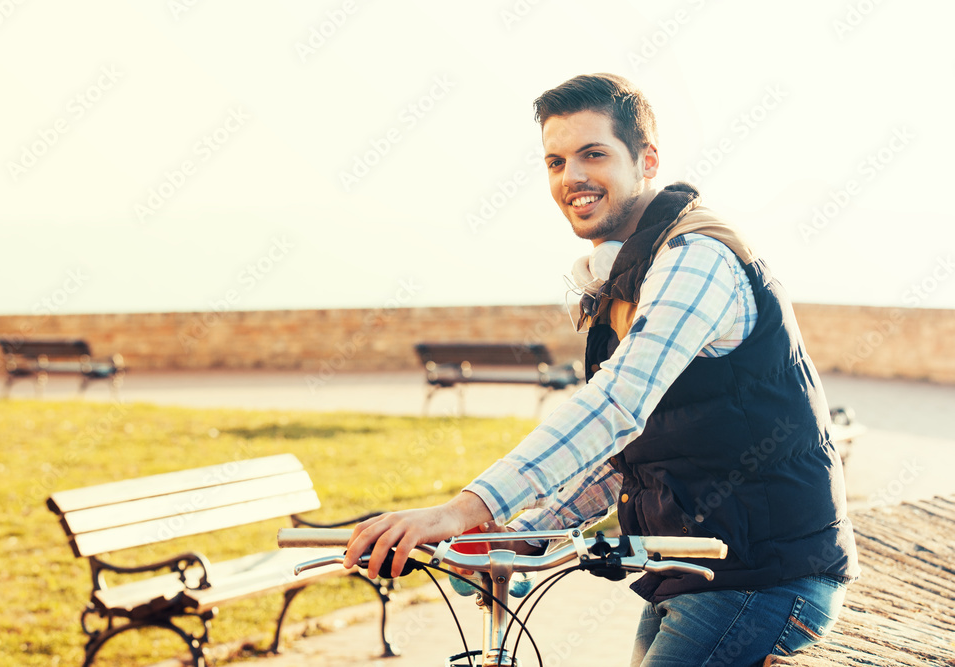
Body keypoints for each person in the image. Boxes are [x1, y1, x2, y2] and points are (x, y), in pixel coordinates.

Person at [345, 73, 859, 665]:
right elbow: (627, 455)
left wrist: (465, 509)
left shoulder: (696, 260)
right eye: (555, 162)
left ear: (647, 160)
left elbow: (617, 405)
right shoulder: (624, 280)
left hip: (764, 580)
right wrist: (523, 532)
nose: (571, 178)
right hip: (696, 571)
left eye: (594, 154)